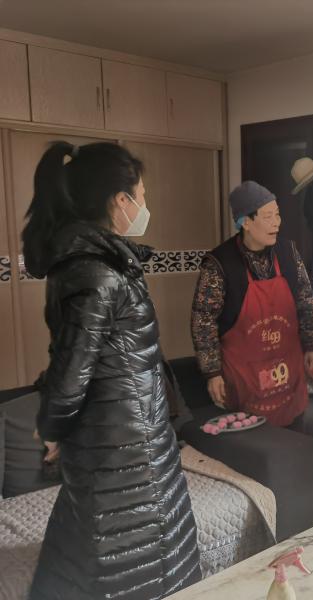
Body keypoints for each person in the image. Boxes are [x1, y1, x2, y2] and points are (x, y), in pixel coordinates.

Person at [22, 141, 201, 599]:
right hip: (123, 453)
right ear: (119, 201)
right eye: (141, 195)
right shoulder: (95, 273)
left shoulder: (100, 264)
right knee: (134, 566)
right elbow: (72, 371)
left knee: (129, 560)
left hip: (128, 441)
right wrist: (52, 430)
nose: (145, 205)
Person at [191, 181, 313, 427]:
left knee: (295, 437)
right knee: (251, 440)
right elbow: (203, 321)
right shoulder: (219, 263)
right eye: (268, 216)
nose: (277, 223)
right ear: (245, 222)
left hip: (287, 370)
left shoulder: (288, 252)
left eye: (277, 214)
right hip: (245, 377)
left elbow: (305, 299)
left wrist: (311, 344)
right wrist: (212, 373)